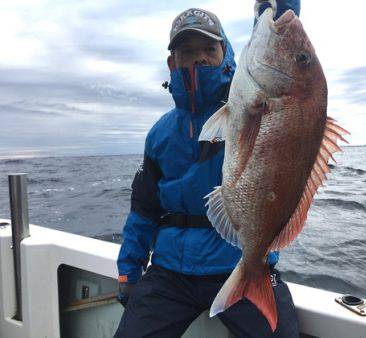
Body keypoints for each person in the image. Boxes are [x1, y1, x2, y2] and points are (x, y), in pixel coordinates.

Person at [114, 1, 301, 337]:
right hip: (170, 271)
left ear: (226, 53)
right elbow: (143, 210)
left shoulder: (249, 105)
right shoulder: (159, 135)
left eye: (208, 48)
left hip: (238, 258)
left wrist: (278, 12)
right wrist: (129, 270)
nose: (198, 57)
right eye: (187, 50)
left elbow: (281, 64)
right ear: (172, 62)